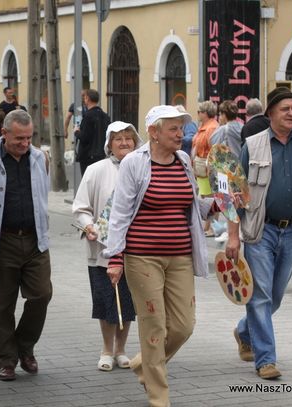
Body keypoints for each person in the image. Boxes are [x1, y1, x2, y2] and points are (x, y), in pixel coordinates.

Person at [104, 105, 215, 407]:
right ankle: (159, 398)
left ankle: (144, 364)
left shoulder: (183, 160)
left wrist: (214, 206)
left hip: (180, 256)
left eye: (182, 128)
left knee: (183, 325)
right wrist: (115, 257)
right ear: (154, 132)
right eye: (174, 129)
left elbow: (191, 203)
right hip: (142, 258)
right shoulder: (134, 164)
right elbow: (120, 213)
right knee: (154, 326)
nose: (181, 134)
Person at [225, 87, 292, 380]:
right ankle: (266, 359)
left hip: (291, 231)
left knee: (274, 296)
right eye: (285, 109)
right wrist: (233, 235)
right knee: (261, 295)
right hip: (260, 230)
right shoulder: (253, 144)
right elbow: (234, 193)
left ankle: (243, 331)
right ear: (270, 114)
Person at [0, 109, 52, 381]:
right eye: (19, 139)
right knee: (3, 305)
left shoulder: (41, 158)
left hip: (36, 240)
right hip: (3, 242)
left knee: (41, 294)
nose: (25, 144)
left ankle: (24, 346)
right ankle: (6, 359)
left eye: (29, 138)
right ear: (4, 134)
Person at [72, 121, 140, 372]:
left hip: (134, 249)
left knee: (127, 300)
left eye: (128, 138)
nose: (124, 143)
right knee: (106, 300)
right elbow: (80, 207)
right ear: (109, 144)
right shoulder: (96, 170)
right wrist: (88, 225)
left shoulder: (143, 168)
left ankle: (121, 350)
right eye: (118, 139)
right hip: (102, 248)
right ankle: (106, 349)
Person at [191, 100, 219, 236]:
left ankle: (212, 227)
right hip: (201, 167)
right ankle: (208, 226)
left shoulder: (211, 128)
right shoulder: (204, 126)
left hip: (207, 166)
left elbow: (213, 150)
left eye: (199, 112)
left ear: (205, 113)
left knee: (210, 197)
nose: (197, 114)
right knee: (205, 195)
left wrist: (210, 168)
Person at [75, 89, 111, 175]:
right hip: (101, 155)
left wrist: (76, 131)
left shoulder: (88, 116)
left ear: (87, 98)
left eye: (85, 97)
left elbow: (84, 137)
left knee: (88, 183)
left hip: (87, 156)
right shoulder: (105, 116)